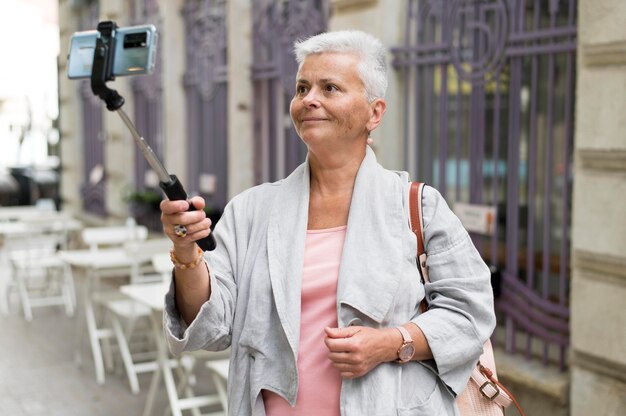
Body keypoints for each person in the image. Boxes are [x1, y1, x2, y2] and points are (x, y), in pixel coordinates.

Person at [160, 30, 495, 416]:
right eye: (302, 88)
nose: (310, 100)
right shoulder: (251, 211)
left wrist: (392, 342)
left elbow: (471, 315)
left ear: (375, 112)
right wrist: (186, 253)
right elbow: (211, 327)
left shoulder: (418, 207)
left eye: (330, 87)